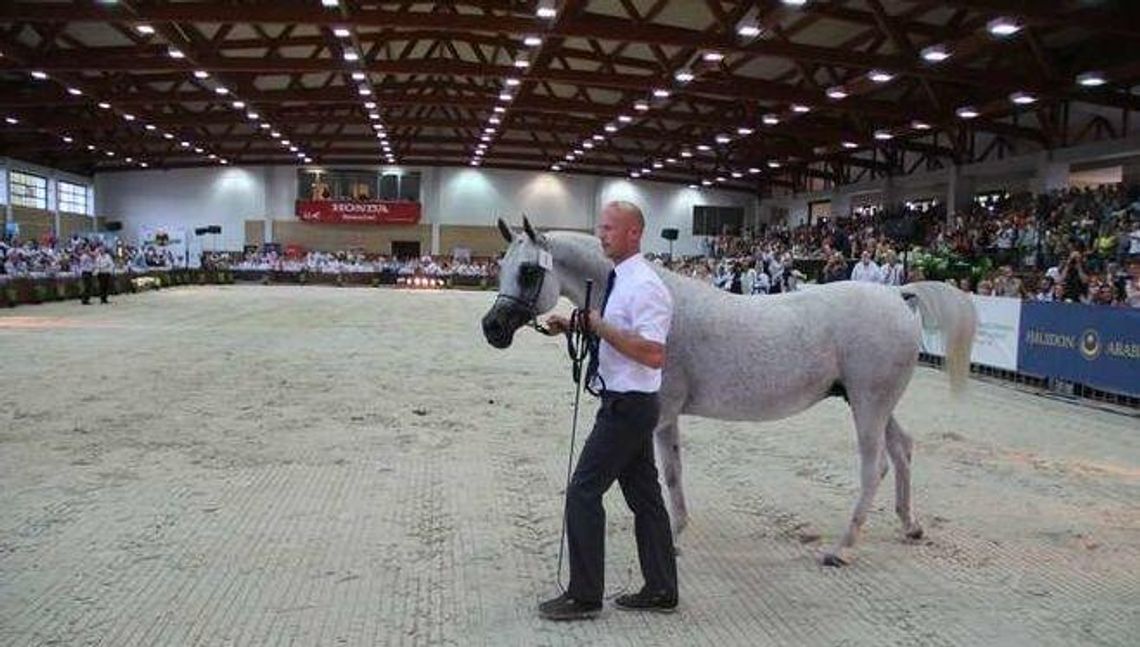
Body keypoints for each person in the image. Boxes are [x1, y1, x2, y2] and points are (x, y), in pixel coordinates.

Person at [539, 200, 678, 621]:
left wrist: (598, 327)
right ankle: (660, 589)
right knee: (646, 500)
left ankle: (584, 596)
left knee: (583, 491)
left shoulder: (647, 287)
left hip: (628, 406)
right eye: (601, 228)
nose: (601, 235)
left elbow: (653, 353)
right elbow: (620, 331)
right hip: (627, 403)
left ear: (634, 233)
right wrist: (576, 324)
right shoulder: (621, 279)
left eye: (610, 229)